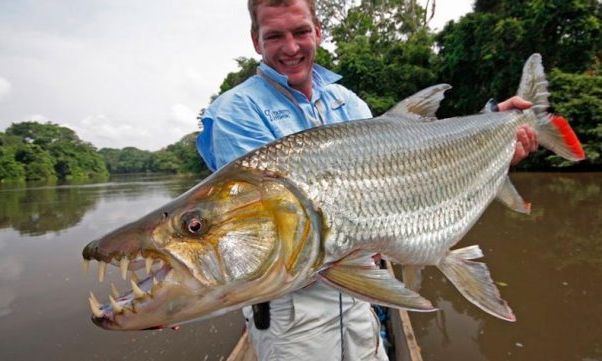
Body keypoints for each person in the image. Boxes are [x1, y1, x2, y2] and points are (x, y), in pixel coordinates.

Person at [196, 1, 537, 360]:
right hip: (292, 314)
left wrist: (493, 132)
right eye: (275, 36)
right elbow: (257, 236)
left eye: (300, 32)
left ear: (318, 32)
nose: (291, 47)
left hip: (361, 295)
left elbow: (408, 165)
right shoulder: (235, 112)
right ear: (256, 40)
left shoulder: (348, 101)